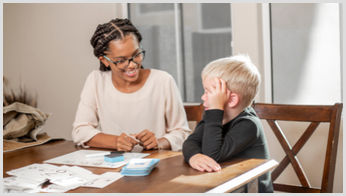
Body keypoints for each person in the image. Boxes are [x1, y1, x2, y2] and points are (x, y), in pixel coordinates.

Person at [72, 18, 191, 152]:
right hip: (115, 166)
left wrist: (159, 142)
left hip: (156, 165)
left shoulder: (163, 80)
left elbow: (182, 133)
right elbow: (80, 132)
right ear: (104, 61)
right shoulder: (96, 81)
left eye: (137, 55)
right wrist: (116, 142)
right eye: (121, 60)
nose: (133, 64)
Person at [182, 55, 273, 193]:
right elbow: (191, 141)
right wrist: (194, 156)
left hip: (250, 190)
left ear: (231, 100)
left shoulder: (249, 125)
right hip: (223, 186)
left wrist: (215, 110)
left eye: (208, 92)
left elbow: (212, 155)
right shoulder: (213, 116)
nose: (202, 97)